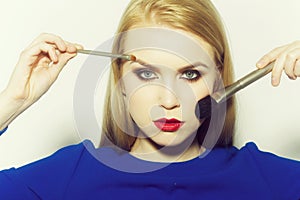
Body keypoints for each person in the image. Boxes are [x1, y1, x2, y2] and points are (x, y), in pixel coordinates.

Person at [0, 0, 300, 199]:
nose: (168, 100)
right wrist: (11, 102)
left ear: (218, 80)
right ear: (121, 80)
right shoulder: (69, 176)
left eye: (190, 75)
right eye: (146, 75)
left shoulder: (265, 180)